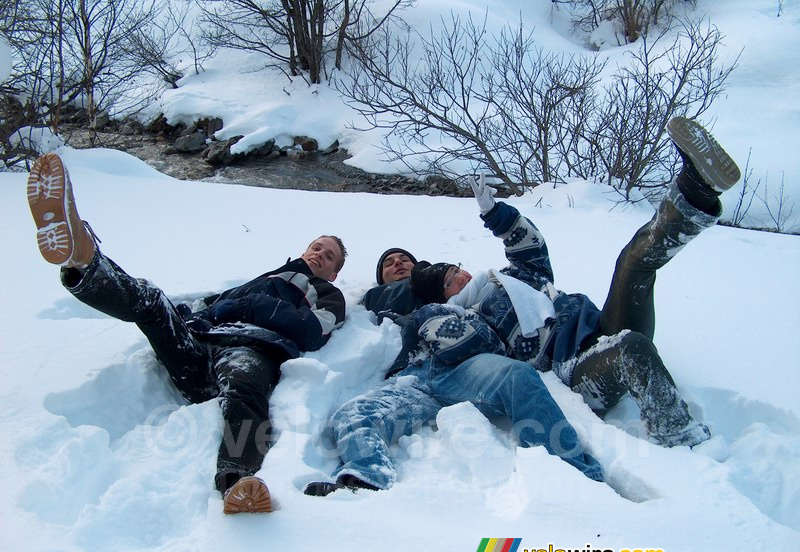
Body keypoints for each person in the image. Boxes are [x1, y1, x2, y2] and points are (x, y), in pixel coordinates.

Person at [26, 153, 347, 514]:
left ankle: (237, 480)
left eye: (330, 255)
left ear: (334, 272)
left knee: (244, 382)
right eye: (316, 247)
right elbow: (213, 307)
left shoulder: (329, 294)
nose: (320, 255)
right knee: (151, 301)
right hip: (198, 347)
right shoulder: (266, 277)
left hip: (249, 349)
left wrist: (252, 306)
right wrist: (191, 316)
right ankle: (84, 261)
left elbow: (313, 332)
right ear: (304, 250)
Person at [402, 116, 741, 449]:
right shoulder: (465, 318)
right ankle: (681, 439)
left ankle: (696, 189)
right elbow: (475, 348)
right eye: (449, 281)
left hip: (599, 325)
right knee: (631, 347)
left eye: (456, 269)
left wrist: (495, 214)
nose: (460, 276)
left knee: (632, 264)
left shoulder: (511, 278)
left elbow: (531, 247)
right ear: (443, 298)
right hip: (576, 370)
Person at [304, 265, 604, 497]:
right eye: (450, 279)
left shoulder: (482, 305)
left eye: (460, 274)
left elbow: (475, 347)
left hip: (466, 373)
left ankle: (573, 477)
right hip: (419, 378)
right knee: (353, 414)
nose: (462, 279)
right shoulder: (432, 309)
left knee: (517, 376)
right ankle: (366, 479)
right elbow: (449, 339)